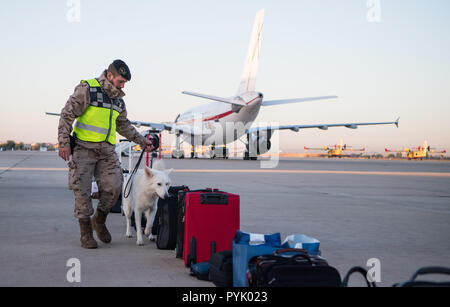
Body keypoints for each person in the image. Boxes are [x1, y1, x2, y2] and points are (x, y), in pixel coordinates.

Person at [58, 60, 154, 249]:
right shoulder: (88, 89)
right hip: (83, 148)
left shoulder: (118, 100)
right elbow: (67, 114)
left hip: (106, 150)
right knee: (82, 190)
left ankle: (99, 220)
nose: (123, 85)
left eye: (125, 82)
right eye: (121, 81)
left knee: (114, 187)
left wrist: (142, 141)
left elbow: (123, 125)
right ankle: (86, 233)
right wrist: (63, 143)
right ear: (109, 76)